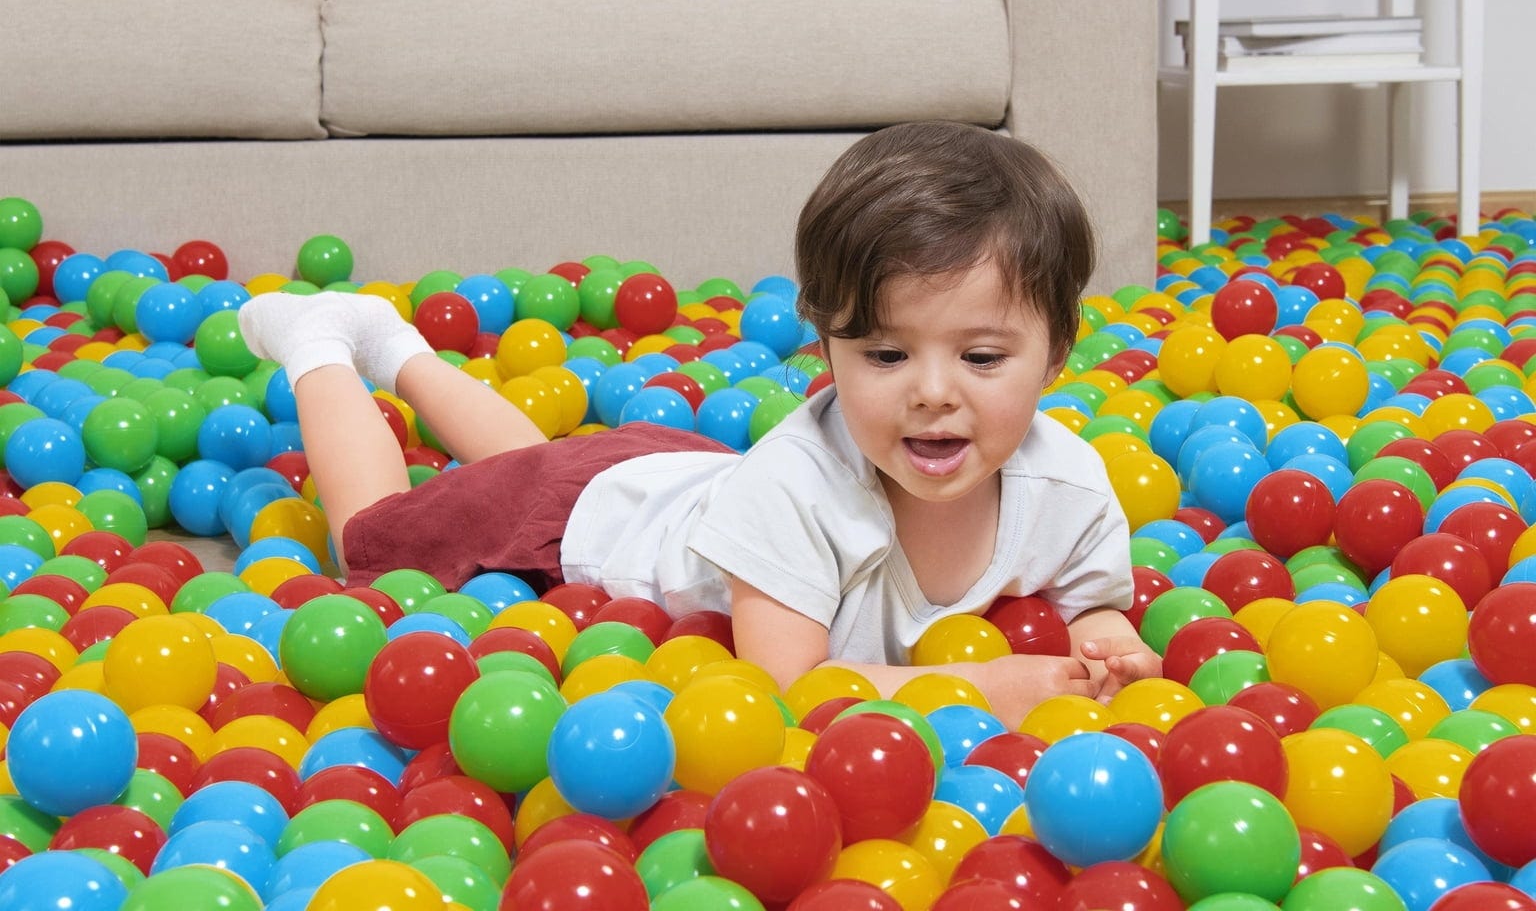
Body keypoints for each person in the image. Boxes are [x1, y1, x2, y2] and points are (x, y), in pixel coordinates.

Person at [237, 121, 1159, 725]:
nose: (932, 393)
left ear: (1057, 353)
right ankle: (323, 341)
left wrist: (1112, 651)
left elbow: (1093, 603)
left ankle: (395, 347)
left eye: (983, 358)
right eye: (885, 355)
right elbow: (791, 690)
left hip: (674, 476)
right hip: (599, 531)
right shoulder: (796, 489)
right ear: (825, 349)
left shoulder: (1068, 484)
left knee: (539, 465)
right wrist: (977, 690)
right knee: (383, 535)